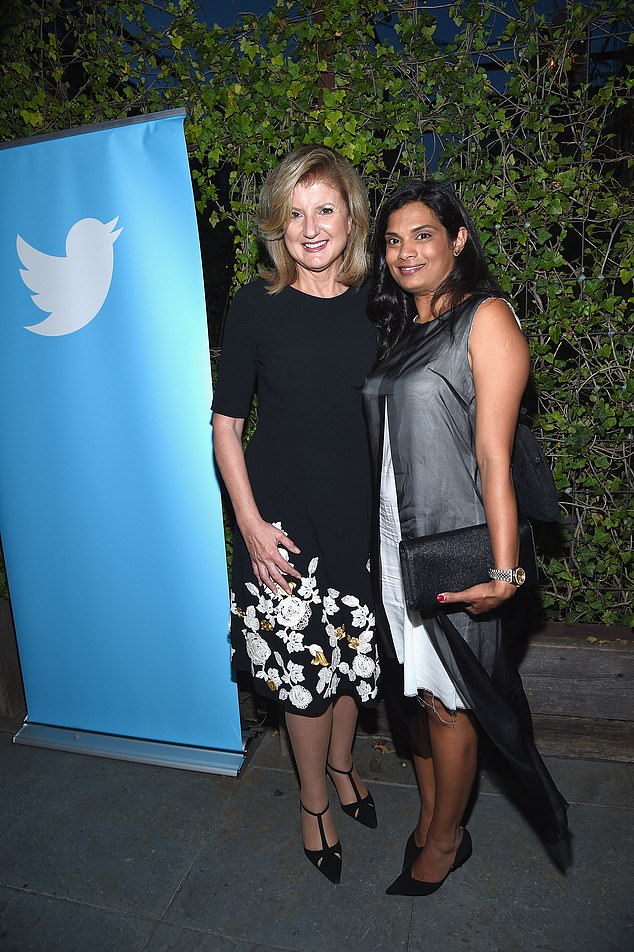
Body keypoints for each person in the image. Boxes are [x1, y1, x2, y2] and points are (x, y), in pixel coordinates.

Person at [362, 181, 570, 896]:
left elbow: (493, 455)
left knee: (453, 702)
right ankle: (432, 815)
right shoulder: (401, 329)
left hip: (454, 546)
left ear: (457, 239)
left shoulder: (486, 319)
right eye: (393, 240)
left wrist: (506, 572)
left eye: (423, 234)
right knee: (416, 694)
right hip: (394, 544)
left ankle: (446, 840)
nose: (405, 251)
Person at [212, 146, 380, 885]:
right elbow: (225, 425)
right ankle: (313, 801)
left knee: (349, 658)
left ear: (350, 219)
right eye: (296, 211)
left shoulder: (383, 302)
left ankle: (344, 765)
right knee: (306, 674)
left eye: (326, 209)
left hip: (365, 518)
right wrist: (247, 522)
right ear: (278, 223)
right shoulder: (256, 303)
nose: (311, 227)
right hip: (280, 522)